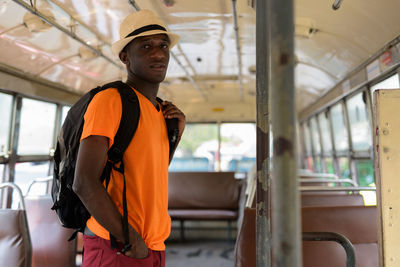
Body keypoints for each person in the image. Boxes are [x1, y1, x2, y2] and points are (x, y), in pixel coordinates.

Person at [73, 9, 186, 267]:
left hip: (152, 246)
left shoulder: (160, 111)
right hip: (117, 246)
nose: (158, 53)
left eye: (163, 45)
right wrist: (129, 239)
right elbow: (84, 181)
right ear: (125, 57)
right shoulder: (110, 100)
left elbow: (148, 177)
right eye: (146, 46)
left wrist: (176, 133)